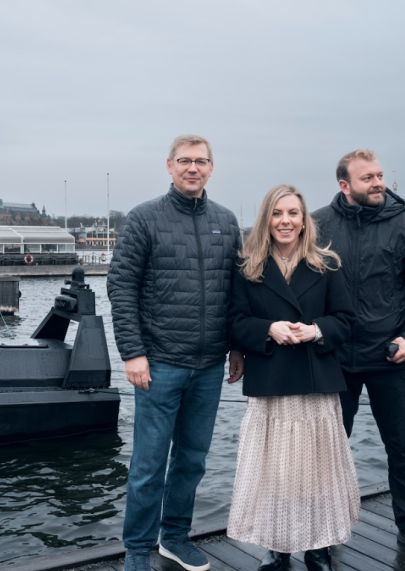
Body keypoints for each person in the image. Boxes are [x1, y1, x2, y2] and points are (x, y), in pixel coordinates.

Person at [107, 135, 244, 571]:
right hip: (159, 363)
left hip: (209, 365)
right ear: (169, 166)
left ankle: (175, 537)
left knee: (192, 460)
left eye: (200, 161)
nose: (192, 168)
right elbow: (121, 287)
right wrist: (132, 352)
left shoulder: (226, 221)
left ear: (211, 168)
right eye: (184, 160)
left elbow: (237, 292)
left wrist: (237, 347)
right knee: (148, 463)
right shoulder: (144, 218)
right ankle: (137, 548)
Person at [311, 150, 405, 564]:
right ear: (344, 185)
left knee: (403, 448)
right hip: (334, 357)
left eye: (380, 175)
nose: (378, 182)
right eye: (367, 177)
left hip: (391, 356)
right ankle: (322, 532)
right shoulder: (317, 224)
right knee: (329, 452)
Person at [227, 185, 359, 571]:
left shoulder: (326, 264)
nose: (285, 221)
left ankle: (318, 547)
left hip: (315, 382)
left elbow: (346, 321)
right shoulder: (248, 266)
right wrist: (269, 328)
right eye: (277, 213)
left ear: (304, 221)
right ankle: (278, 547)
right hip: (271, 382)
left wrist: (316, 330)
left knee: (317, 471)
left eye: (293, 213)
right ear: (266, 219)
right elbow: (234, 321)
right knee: (276, 473)